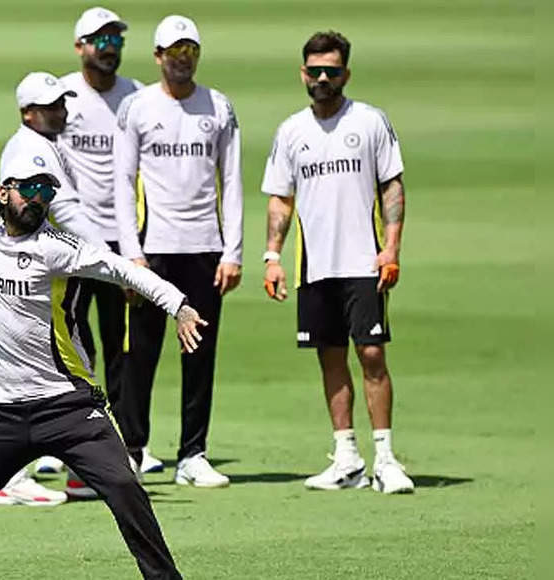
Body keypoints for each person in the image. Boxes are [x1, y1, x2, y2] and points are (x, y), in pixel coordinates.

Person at [0, 133, 197, 580]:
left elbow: (121, 269)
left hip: (68, 407)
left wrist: (178, 305)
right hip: (0, 414)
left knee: (124, 488)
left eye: (47, 191)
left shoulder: (59, 248)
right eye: (30, 188)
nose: (39, 199)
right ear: (3, 192)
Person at [261, 31, 414, 494]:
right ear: (303, 74)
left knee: (371, 353)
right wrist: (272, 257)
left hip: (365, 261)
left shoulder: (369, 122)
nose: (322, 78)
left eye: (331, 71)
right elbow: (280, 201)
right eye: (314, 71)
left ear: (346, 73)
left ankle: (385, 458)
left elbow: (392, 187)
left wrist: (392, 247)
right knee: (330, 356)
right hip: (315, 264)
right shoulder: (291, 131)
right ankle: (347, 456)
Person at [114, 14, 243, 488]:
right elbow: (122, 184)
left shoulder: (220, 107)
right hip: (153, 249)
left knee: (200, 353)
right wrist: (131, 253)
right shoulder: (137, 107)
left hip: (204, 249)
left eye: (190, 52)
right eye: (174, 53)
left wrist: (234, 253)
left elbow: (232, 183)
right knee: (141, 353)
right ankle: (132, 448)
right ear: (157, 57)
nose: (182, 61)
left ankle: (193, 453)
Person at [57, 7, 162, 474]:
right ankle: (71, 440)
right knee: (73, 343)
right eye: (99, 39)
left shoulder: (137, 97)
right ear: (80, 46)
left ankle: (126, 442)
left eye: (116, 38)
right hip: (72, 241)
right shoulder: (61, 96)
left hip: (124, 240)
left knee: (124, 346)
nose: (109, 47)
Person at [0, 70, 106, 502]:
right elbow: (67, 211)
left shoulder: (41, 145)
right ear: (28, 113)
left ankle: (80, 470)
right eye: (50, 106)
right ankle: (13, 476)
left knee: (65, 363)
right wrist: (108, 258)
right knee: (57, 368)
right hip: (42, 277)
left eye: (62, 103)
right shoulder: (33, 152)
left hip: (46, 272)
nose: (60, 111)